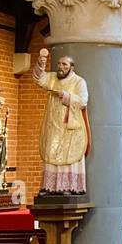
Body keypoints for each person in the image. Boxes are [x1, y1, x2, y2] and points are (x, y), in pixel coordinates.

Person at [33, 50, 90, 195]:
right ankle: (49, 187)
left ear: (72, 67)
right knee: (51, 151)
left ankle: (69, 186)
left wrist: (66, 96)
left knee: (69, 154)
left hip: (70, 126)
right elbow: (39, 78)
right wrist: (41, 64)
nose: (60, 67)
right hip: (53, 124)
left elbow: (83, 100)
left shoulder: (79, 81)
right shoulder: (53, 77)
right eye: (59, 63)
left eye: (64, 64)